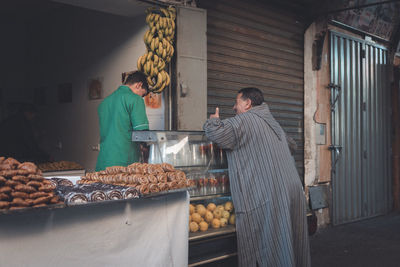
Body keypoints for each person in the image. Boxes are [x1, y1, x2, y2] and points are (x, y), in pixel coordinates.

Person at [203, 87, 311, 267]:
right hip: (292, 192)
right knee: (288, 244)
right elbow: (292, 145)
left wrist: (213, 121)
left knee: (270, 248)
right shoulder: (272, 122)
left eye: (236, 103)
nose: (233, 108)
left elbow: (216, 133)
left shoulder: (245, 120)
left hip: (271, 196)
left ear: (247, 103)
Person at [96, 71, 149, 171]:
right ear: (139, 85)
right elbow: (142, 133)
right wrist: (147, 150)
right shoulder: (135, 99)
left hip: (103, 163)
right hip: (124, 165)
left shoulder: (105, 102)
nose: (141, 97)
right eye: (143, 94)